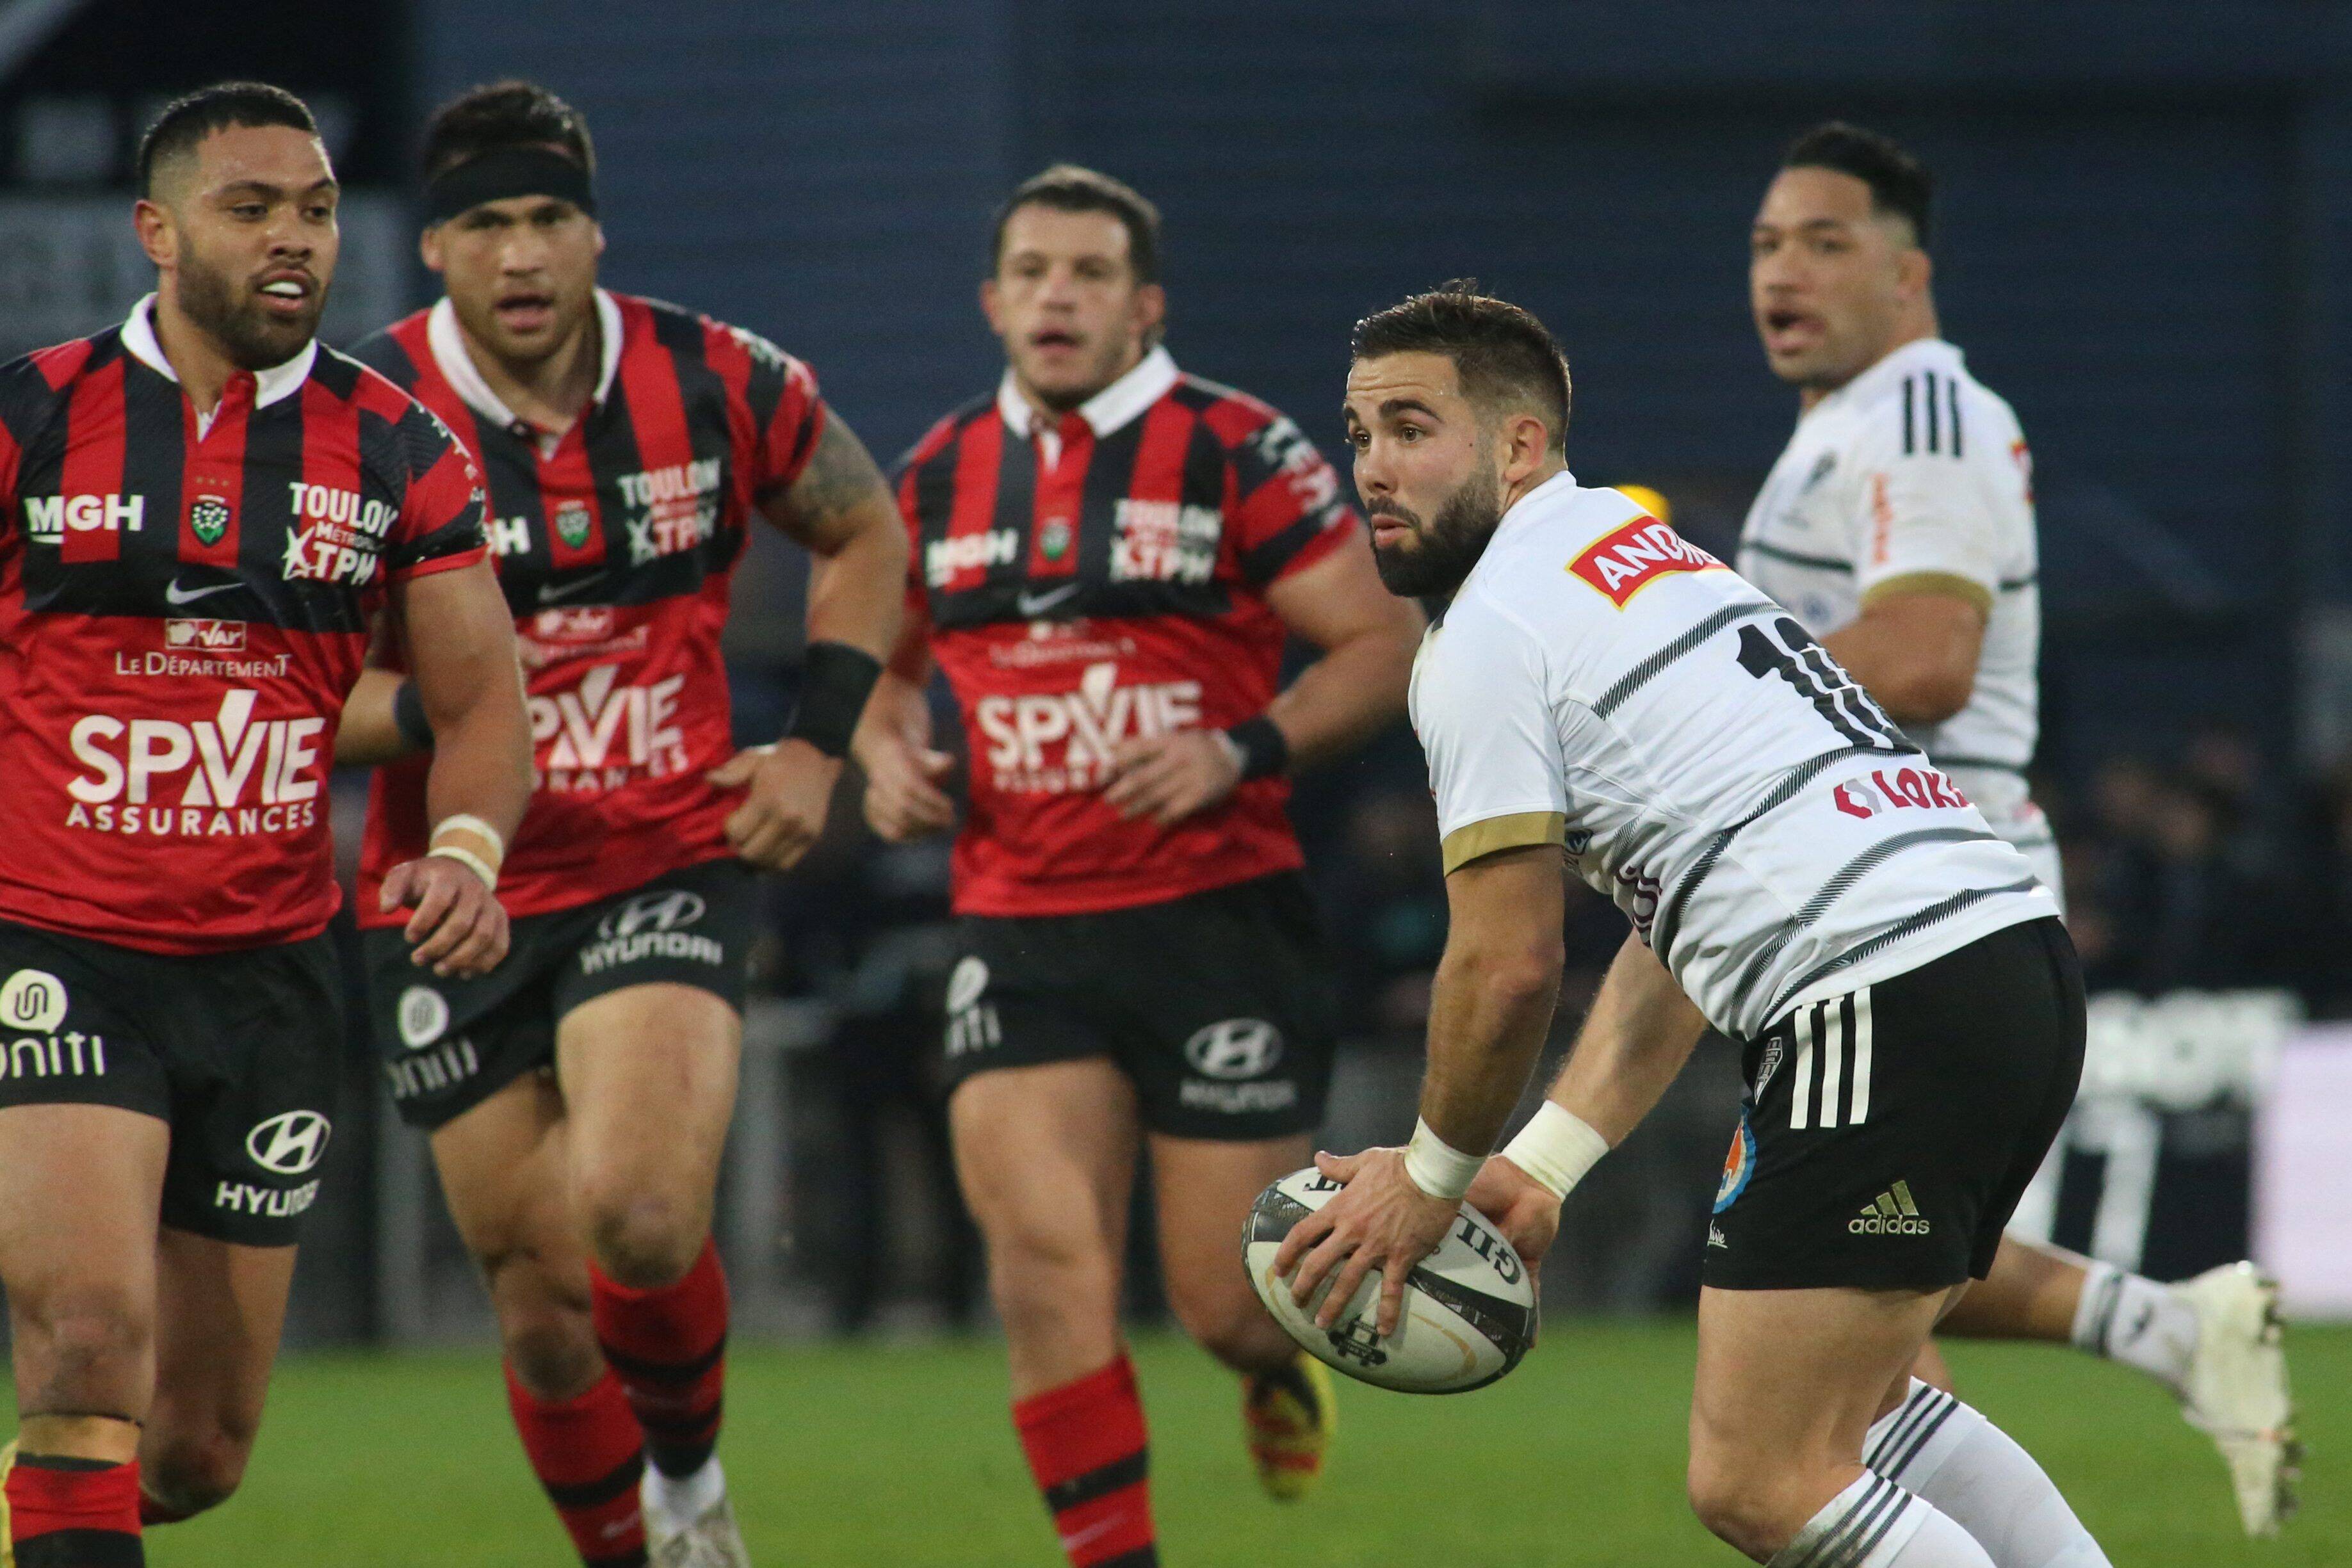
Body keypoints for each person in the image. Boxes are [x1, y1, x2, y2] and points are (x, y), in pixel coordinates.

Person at [1281, 283, 2111, 1567]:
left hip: (1876, 993)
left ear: (1519, 444)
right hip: (2000, 957)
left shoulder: (1485, 632)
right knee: (1867, 1406)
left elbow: (1505, 968)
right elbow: (1688, 920)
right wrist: (1543, 1162)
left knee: (1759, 1476)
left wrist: (1428, 1176)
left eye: (1410, 427)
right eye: (1357, 432)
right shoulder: (1630, 552)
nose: (1373, 468)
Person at [331, 81, 905, 1568]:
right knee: (537, 1297)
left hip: (664, 854)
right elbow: (283, 686)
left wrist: (814, 750)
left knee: (637, 1215)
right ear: (436, 249)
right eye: (482, 226)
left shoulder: (713, 377)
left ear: (592, 232)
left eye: (547, 220)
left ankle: (693, 1486)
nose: (519, 256)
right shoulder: (358, 423)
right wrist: (459, 711)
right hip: (452, 887)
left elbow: (863, 526)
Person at [854, 165, 1422, 1567]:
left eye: (1090, 272)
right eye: (1032, 271)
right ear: (993, 301)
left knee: (1227, 1302)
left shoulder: (1234, 448)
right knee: (1046, 1265)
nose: (1058, 295)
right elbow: (870, 678)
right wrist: (881, 756)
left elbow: (1381, 644)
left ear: (1143, 303)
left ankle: (1268, 1372)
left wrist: (1241, 748)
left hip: (1216, 919)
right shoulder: (932, 476)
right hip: (1019, 924)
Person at [0, 83, 530, 1565]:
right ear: (157, 232)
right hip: (55, 943)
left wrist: (470, 851)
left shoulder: (399, 448)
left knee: (200, 1448)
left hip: (273, 970)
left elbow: (483, 703)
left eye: (314, 209)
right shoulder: (27, 418)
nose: (294, 240)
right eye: (252, 210)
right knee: (92, 1343)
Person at [1740, 122, 2293, 1535]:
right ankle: (2171, 1331)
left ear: (1909, 276)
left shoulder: (1917, 411)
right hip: (1867, 921)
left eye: (1825, 241)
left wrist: (1703, 709)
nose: (1782, 271)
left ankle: (2167, 1331)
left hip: (1915, 918)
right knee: (1861, 1357)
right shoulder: (1843, 430)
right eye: (1765, 244)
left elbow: (1924, 656)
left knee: (1816, 1377)